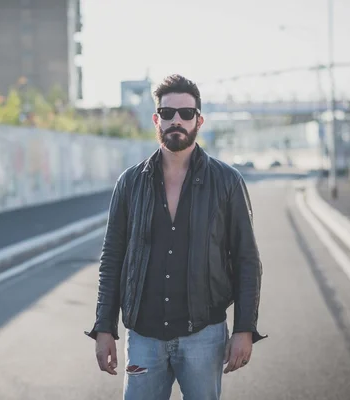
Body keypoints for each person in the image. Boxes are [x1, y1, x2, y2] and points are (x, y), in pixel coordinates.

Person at [85, 74, 266, 400]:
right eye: (167, 113)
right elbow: (112, 258)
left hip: (204, 335)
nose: (176, 121)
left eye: (185, 113)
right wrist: (104, 328)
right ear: (156, 119)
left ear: (199, 119)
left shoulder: (227, 182)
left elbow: (246, 260)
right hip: (144, 336)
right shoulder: (130, 183)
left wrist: (244, 329)